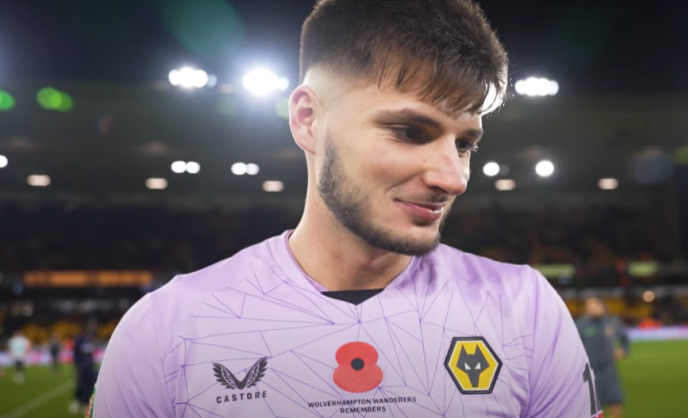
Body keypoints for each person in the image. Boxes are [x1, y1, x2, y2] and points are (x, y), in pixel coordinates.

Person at [91, 1, 602, 417]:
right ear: (308, 120)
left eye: (465, 143)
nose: (454, 178)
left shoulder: (526, 311)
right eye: (410, 132)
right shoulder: (166, 330)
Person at [576, 297, 630, 418]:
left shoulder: (612, 322)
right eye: (589, 307)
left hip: (609, 370)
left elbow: (624, 338)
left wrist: (623, 350)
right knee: (592, 407)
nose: (592, 309)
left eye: (594, 306)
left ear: (602, 307)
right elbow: (572, 345)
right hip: (590, 371)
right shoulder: (581, 325)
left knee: (616, 402)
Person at [70, 326, 98, 414]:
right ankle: (78, 402)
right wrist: (77, 366)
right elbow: (76, 355)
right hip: (82, 367)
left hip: (89, 367)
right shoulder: (79, 340)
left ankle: (85, 403)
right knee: (80, 385)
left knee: (89, 386)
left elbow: (91, 355)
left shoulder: (89, 340)